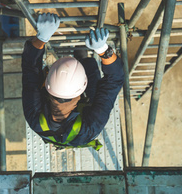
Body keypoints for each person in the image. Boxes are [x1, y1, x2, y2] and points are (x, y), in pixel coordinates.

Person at [22, 13, 124, 150]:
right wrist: (102, 49)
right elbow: (114, 81)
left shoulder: (36, 117)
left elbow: (31, 70)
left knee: (91, 74)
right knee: (93, 78)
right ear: (82, 90)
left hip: (71, 129)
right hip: (81, 131)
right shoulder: (90, 127)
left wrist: (42, 37)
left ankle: (81, 50)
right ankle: (81, 53)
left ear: (47, 85)